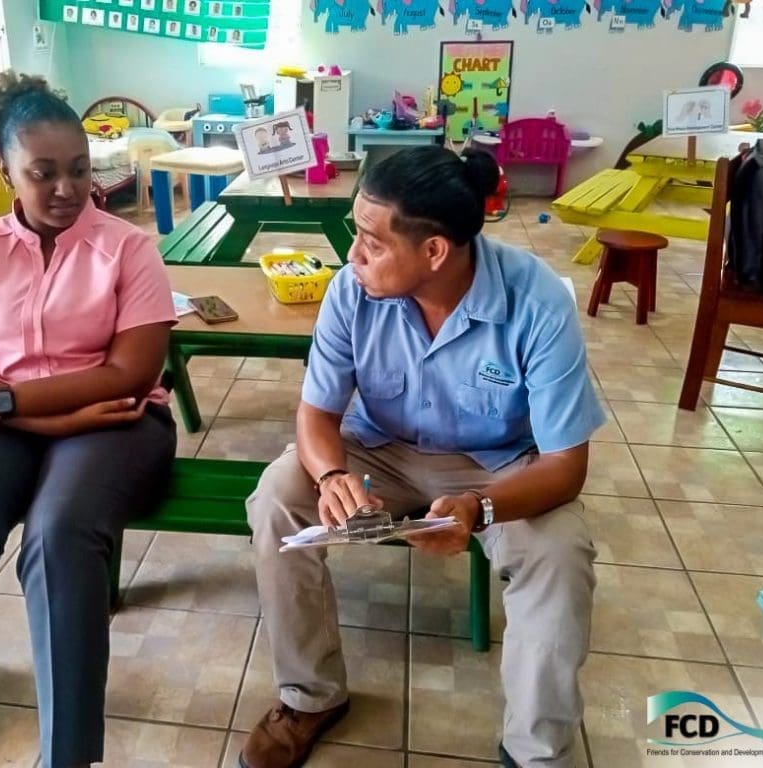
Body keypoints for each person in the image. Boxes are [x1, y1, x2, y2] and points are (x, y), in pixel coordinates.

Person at [239, 146, 602, 768]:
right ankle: (310, 695)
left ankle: (537, 751)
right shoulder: (351, 291)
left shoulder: (535, 302)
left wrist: (479, 508)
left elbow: (566, 465)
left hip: (499, 468)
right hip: (377, 451)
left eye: (372, 243)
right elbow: (317, 415)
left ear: (434, 251)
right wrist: (329, 474)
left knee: (560, 554)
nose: (353, 255)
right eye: (356, 235)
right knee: (278, 497)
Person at [0, 71, 177, 767]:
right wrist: (49, 423)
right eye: (42, 173)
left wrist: (11, 402)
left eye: (78, 170)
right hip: (22, 422)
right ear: (5, 169)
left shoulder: (128, 249)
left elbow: (129, 375)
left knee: (59, 538)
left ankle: (66, 756)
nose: (66, 189)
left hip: (118, 423)